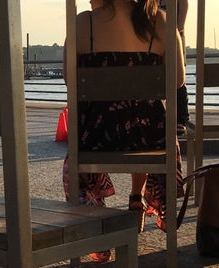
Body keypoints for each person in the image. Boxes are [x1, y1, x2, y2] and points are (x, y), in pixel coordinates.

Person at [63, 0, 186, 262]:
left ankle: (96, 224)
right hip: (149, 137)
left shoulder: (83, 23)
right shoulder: (161, 21)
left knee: (74, 155)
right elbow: (177, 80)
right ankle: (149, 206)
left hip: (96, 136)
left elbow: (68, 79)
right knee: (150, 124)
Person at [159, 0, 190, 134]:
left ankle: (180, 118)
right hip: (156, 34)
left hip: (174, 33)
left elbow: (183, 5)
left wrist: (178, 27)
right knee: (158, 72)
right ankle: (163, 112)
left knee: (178, 78)